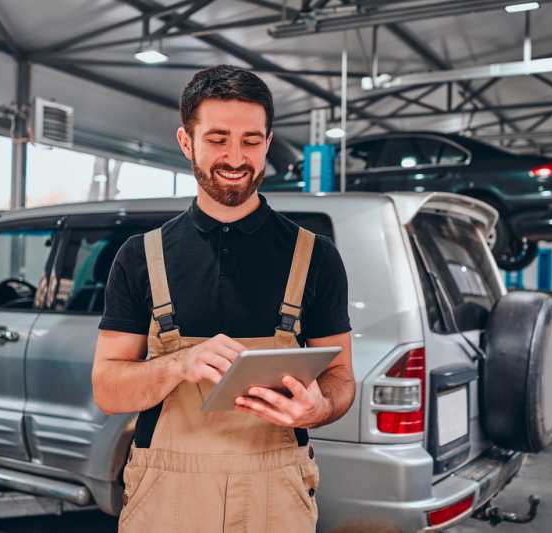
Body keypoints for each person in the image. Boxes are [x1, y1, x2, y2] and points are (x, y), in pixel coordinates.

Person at [92, 64, 355, 532]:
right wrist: (178, 365)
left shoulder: (315, 257)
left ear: (268, 143)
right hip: (167, 493)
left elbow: (341, 379)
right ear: (186, 141)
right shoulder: (140, 258)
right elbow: (108, 388)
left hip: (276, 490)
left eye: (251, 140)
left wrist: (320, 408)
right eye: (217, 139)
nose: (235, 157)